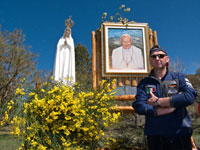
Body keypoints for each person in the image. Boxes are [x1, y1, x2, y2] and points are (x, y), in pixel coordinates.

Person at [132, 45, 197, 150]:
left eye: (161, 56)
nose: (157, 58)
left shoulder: (179, 77)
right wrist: (161, 111)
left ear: (167, 59)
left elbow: (190, 96)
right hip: (155, 137)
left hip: (180, 134)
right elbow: (139, 105)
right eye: (153, 56)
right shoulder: (144, 83)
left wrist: (160, 101)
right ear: (150, 61)